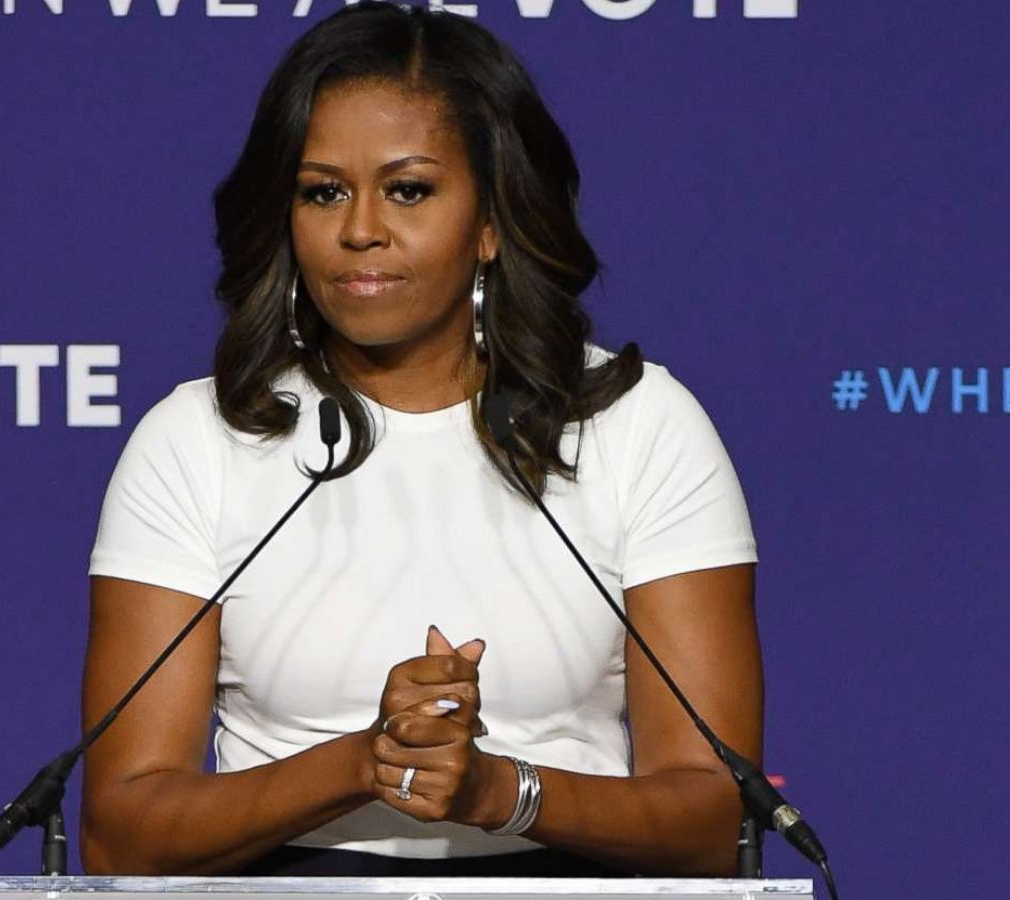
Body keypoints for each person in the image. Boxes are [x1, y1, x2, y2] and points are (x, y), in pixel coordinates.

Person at [80, 0, 761, 878]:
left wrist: (495, 792)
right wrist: (361, 763)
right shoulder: (197, 440)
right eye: (322, 191)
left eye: (408, 189)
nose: (360, 228)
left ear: (490, 221)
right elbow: (121, 829)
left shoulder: (636, 426)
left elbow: (714, 816)